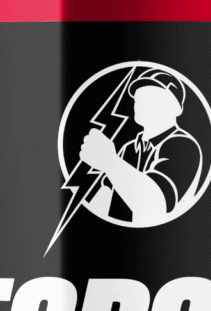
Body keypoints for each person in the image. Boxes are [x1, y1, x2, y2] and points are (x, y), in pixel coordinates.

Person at [79, 69, 203, 226]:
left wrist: (108, 161)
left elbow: (157, 205)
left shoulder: (183, 146)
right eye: (139, 98)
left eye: (152, 97)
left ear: (176, 108)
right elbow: (106, 195)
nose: (141, 102)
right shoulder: (129, 148)